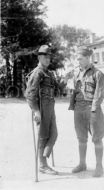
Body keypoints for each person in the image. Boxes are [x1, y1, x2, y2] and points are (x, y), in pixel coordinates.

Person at [68, 47, 104, 177]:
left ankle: (99, 166)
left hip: (91, 109)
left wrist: (94, 110)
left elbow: (99, 93)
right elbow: (72, 90)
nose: (78, 61)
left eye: (80, 58)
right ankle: (82, 163)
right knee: (81, 138)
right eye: (77, 58)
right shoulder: (75, 72)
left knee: (97, 138)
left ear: (88, 58)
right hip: (78, 109)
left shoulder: (97, 73)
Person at [25, 45, 58, 175]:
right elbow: (30, 94)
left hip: (50, 108)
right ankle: (43, 165)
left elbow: (56, 88)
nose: (48, 59)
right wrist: (36, 111)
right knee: (43, 137)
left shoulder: (48, 73)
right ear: (39, 57)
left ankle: (44, 158)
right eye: (45, 56)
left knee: (54, 134)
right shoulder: (37, 73)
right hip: (42, 110)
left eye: (49, 56)